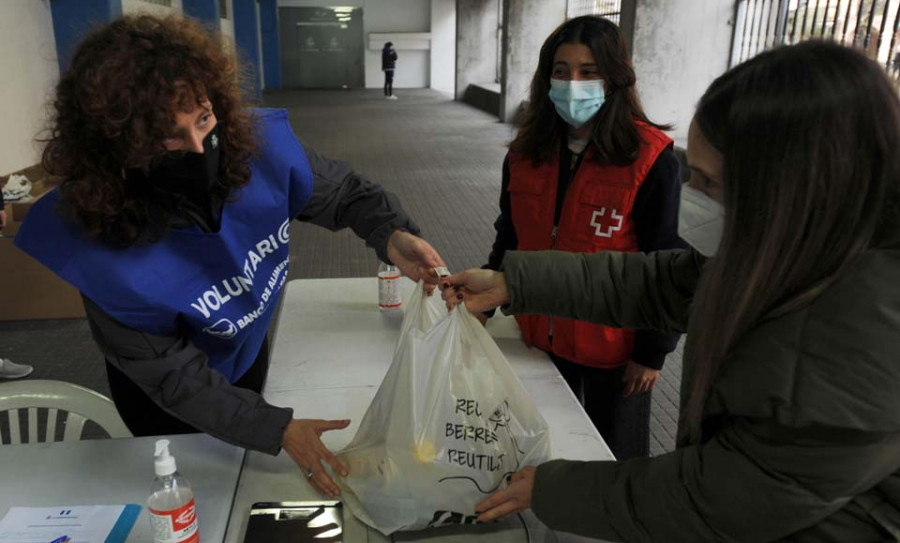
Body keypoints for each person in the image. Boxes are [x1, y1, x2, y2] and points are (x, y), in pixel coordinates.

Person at [443, 41, 900, 541]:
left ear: (788, 192)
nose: (692, 197)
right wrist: (514, 282)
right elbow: (661, 280)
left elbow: (719, 501)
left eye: (708, 182)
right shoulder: (798, 247)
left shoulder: (856, 345)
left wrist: (553, 489)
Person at [15, 15, 445, 498]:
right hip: (165, 395)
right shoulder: (98, 241)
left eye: (202, 118)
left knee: (246, 482)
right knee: (195, 490)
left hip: (242, 344)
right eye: (167, 138)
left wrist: (391, 233)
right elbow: (172, 377)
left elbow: (343, 192)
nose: (198, 147)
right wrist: (272, 428)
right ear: (117, 146)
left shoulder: (255, 149)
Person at [481, 16, 683, 460]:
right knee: (544, 450)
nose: (573, 83)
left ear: (614, 78)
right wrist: (485, 301)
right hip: (538, 339)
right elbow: (509, 235)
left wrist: (653, 352)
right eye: (561, 70)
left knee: (618, 461)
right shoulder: (524, 154)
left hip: (615, 350)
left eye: (588, 72)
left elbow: (664, 261)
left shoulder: (650, 159)